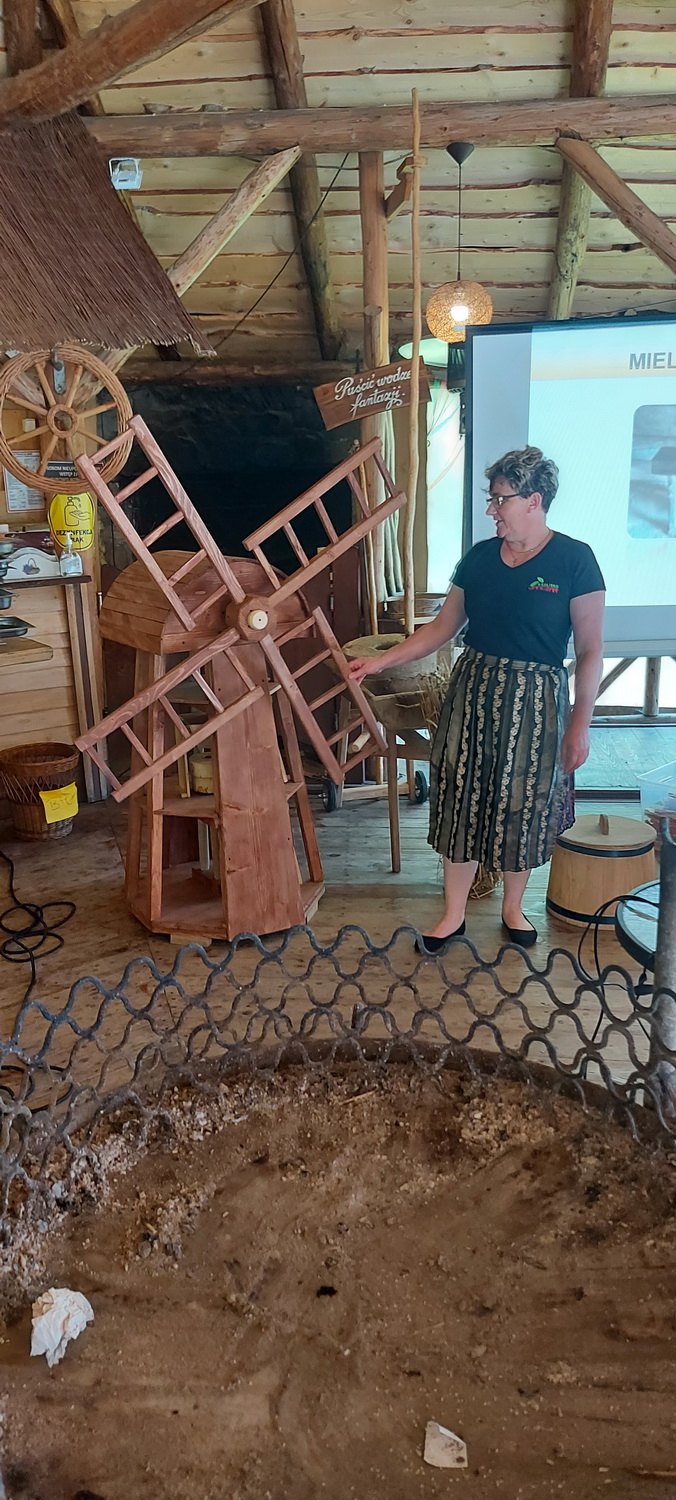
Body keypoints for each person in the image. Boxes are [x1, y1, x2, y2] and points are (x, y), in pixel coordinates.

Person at [348, 446, 605, 952]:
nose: (491, 509)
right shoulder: (480, 559)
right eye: (492, 499)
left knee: (522, 804)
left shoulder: (576, 560)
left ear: (534, 500)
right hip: (473, 691)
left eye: (500, 499)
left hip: (536, 700)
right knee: (460, 796)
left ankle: (513, 908)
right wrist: (382, 661)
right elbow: (442, 628)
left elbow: (591, 649)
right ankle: (453, 914)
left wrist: (581, 723)